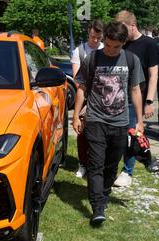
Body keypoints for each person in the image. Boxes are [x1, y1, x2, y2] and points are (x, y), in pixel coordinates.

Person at [72, 21, 145, 226]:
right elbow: (82, 88)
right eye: (108, 45)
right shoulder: (92, 58)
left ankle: (103, 195)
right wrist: (76, 116)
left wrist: (139, 121)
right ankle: (97, 207)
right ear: (104, 40)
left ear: (123, 44)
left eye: (116, 46)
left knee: (111, 166)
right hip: (95, 119)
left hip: (120, 122)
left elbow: (135, 90)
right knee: (95, 164)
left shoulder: (131, 60)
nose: (111, 50)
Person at [114, 11, 159, 187]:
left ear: (132, 25)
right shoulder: (121, 44)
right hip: (117, 97)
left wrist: (149, 101)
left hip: (137, 98)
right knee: (118, 134)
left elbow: (153, 73)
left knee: (133, 134)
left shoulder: (149, 44)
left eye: (123, 29)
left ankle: (127, 171)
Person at [70, 19, 104, 178]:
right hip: (85, 97)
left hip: (104, 98)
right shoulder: (80, 51)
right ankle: (82, 163)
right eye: (92, 37)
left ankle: (97, 164)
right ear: (88, 33)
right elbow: (78, 80)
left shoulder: (107, 49)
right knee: (82, 132)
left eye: (98, 37)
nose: (95, 40)